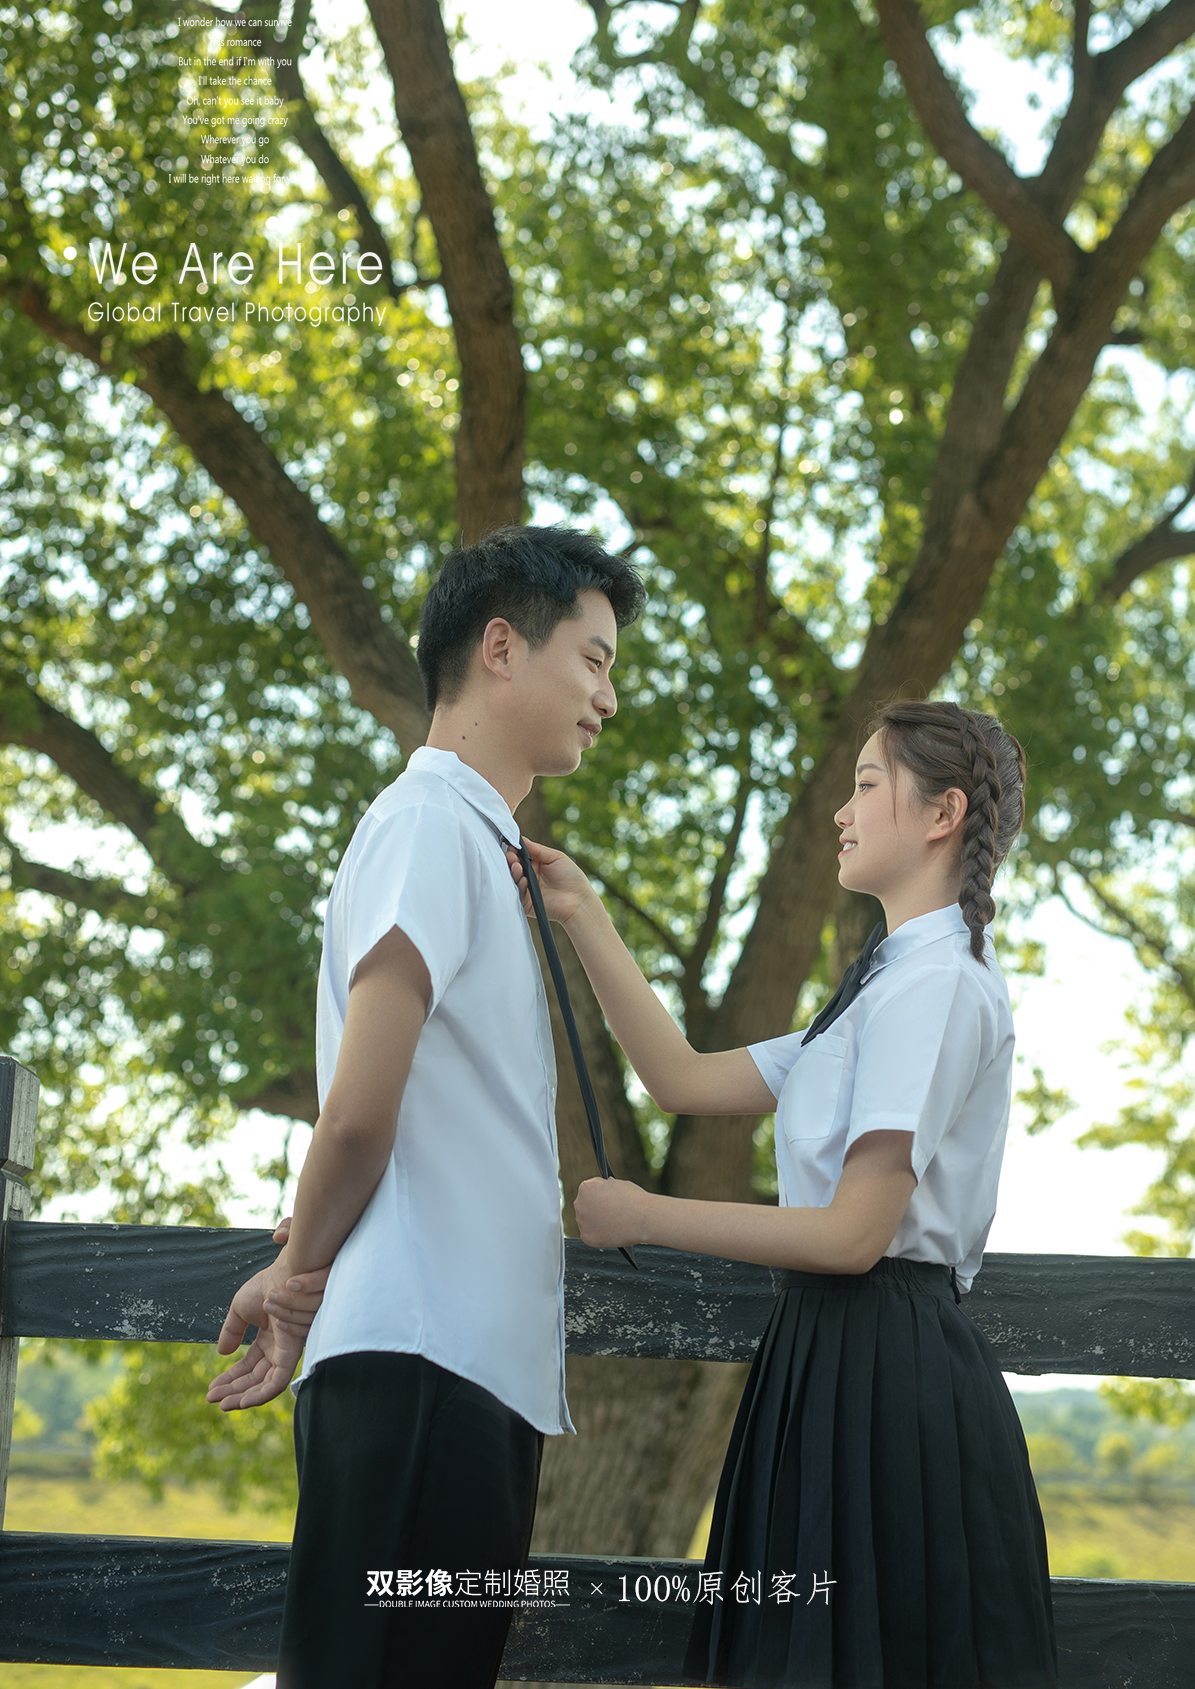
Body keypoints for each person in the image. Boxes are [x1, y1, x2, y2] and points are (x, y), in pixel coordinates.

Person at [508, 699, 1058, 1689]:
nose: (841, 812)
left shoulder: (939, 984)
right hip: (827, 1355)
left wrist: (645, 1216)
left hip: (883, 1369)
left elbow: (852, 1236)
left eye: (866, 786)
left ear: (942, 815)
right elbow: (680, 1078)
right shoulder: (883, 984)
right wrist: (582, 911)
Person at [204, 524, 646, 1689]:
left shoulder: (473, 841)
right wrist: (298, 1272)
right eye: (593, 660)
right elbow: (358, 1113)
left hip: (462, 1368)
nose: (609, 697)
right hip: (420, 1365)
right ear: (500, 648)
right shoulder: (428, 826)